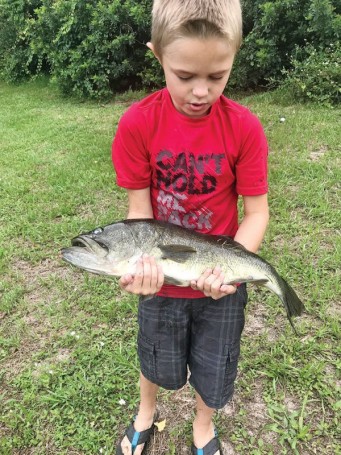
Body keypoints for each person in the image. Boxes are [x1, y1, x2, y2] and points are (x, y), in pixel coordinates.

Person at [112, 0, 269, 453]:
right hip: (162, 278)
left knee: (215, 362)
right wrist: (137, 266)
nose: (201, 91)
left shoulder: (245, 128)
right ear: (158, 56)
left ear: (234, 57)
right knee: (153, 352)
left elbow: (256, 212)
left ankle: (203, 425)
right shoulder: (138, 123)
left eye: (216, 76)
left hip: (218, 277)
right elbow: (138, 214)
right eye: (185, 76)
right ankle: (146, 411)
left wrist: (232, 271)